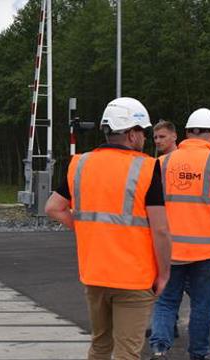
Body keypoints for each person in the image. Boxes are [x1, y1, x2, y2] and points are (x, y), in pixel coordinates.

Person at [45, 97, 172, 360]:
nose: (145, 138)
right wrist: (164, 274)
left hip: (95, 273)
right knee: (127, 352)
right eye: (143, 132)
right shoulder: (147, 167)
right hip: (134, 278)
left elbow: (53, 208)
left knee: (100, 345)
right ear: (132, 133)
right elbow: (160, 230)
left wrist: (85, 229)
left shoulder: (80, 164)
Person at [148, 108, 210, 360]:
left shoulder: (162, 163)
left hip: (169, 250)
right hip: (207, 252)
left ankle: (159, 349)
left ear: (187, 133)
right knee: (202, 306)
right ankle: (198, 354)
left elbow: (151, 207)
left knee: (166, 302)